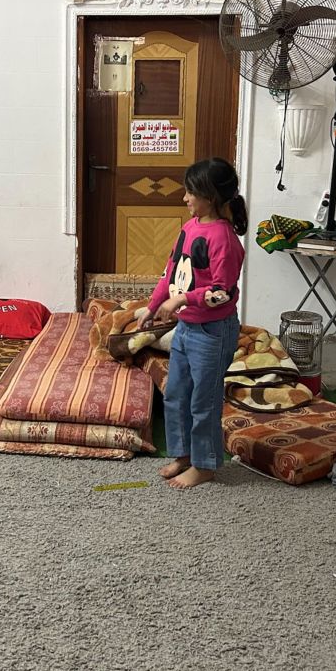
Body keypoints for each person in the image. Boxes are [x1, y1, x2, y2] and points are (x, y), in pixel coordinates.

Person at [138, 157, 247, 489]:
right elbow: (171, 272)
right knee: (175, 394)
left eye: (190, 193)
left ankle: (206, 465)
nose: (184, 198)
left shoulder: (225, 239)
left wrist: (182, 300)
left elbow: (222, 293)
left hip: (212, 333)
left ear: (210, 196)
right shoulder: (189, 228)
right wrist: (153, 305)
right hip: (185, 329)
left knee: (204, 401)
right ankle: (183, 454)